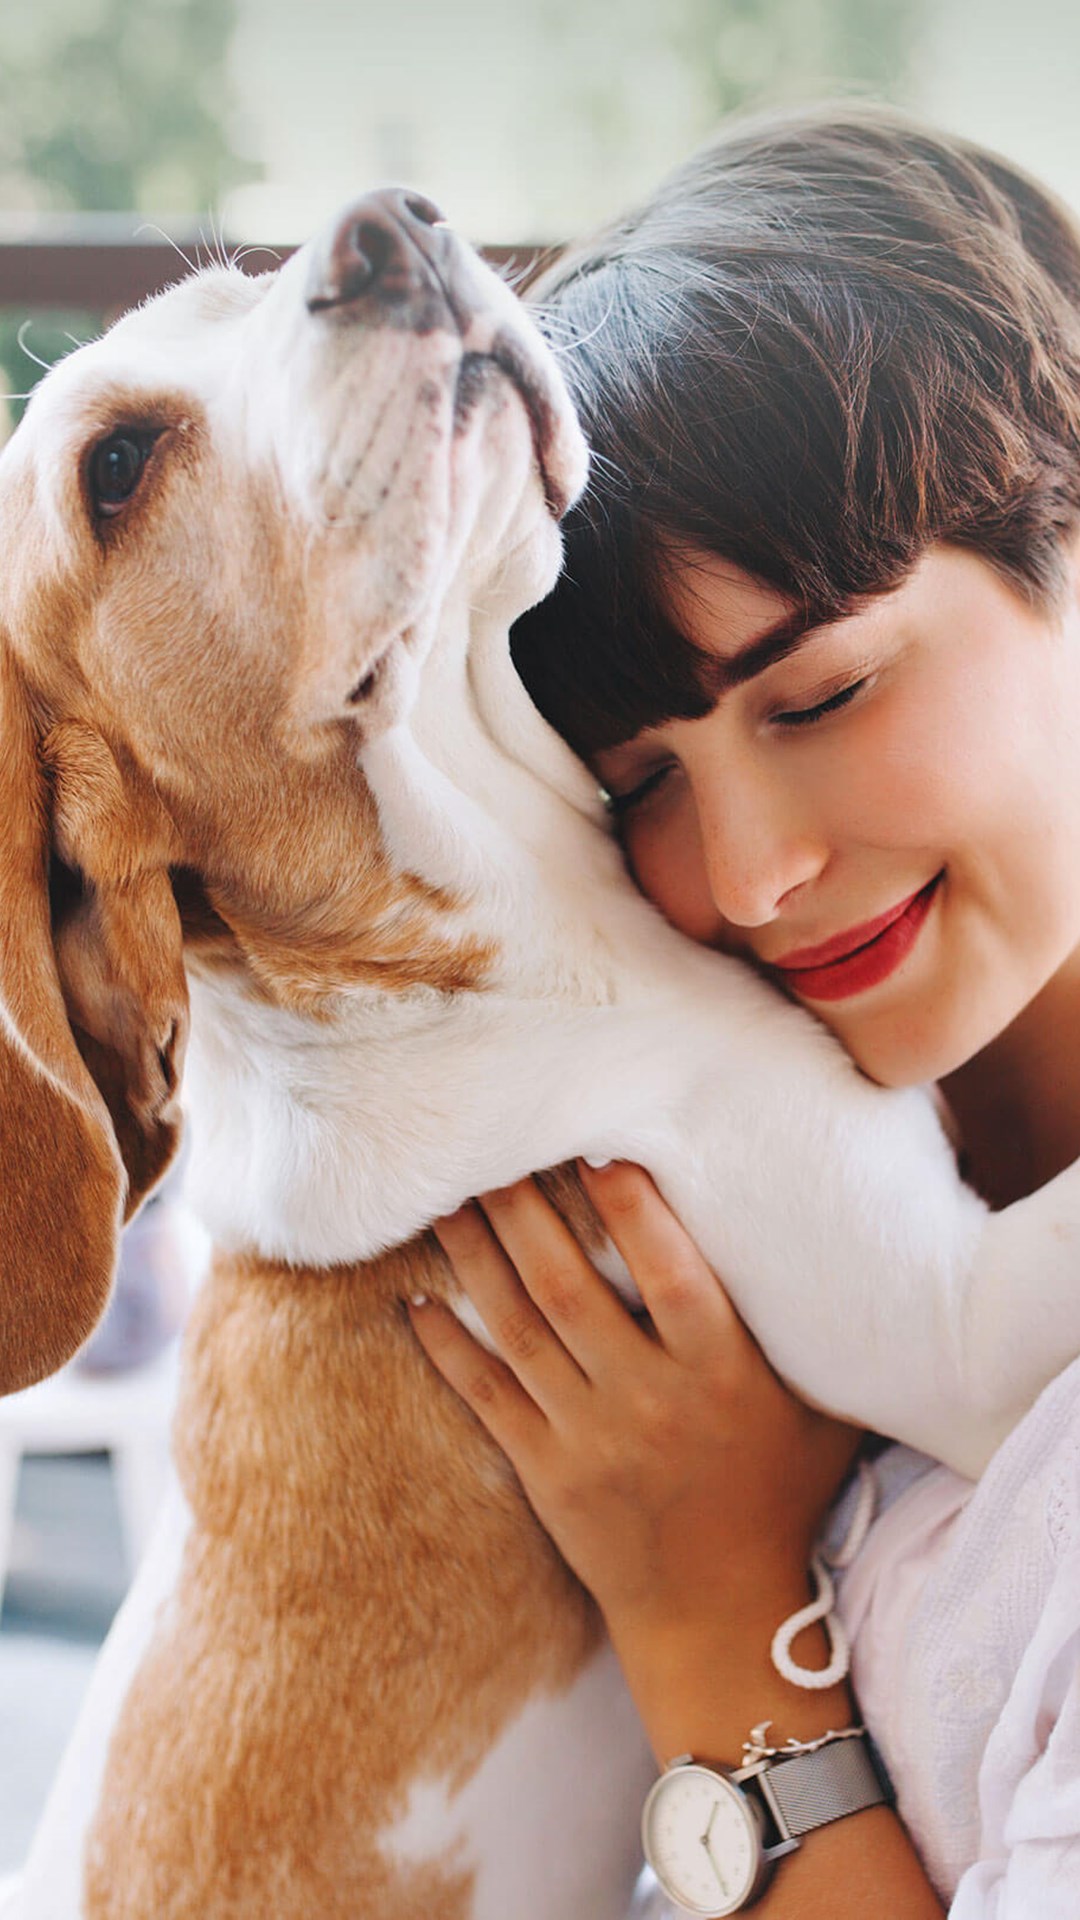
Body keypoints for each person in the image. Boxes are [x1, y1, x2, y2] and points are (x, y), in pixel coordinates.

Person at [408, 104, 1080, 1915]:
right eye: (642, 783)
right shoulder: (711, 1233)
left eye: (823, 690)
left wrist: (710, 1609)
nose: (757, 867)